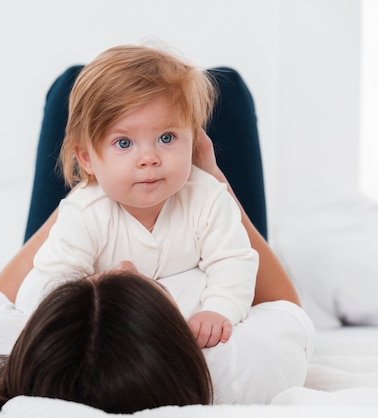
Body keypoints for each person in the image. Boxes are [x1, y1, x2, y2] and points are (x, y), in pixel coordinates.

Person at [0, 46, 314, 408]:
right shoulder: (231, 368)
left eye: (106, 281)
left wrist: (86, 186)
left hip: (95, 184)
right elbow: (281, 306)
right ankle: (139, 136)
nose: (129, 265)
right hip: (173, 190)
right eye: (137, 287)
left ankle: (116, 139)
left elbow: (11, 293)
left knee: (75, 88)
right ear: (170, 321)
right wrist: (212, 176)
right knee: (225, 87)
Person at [15, 45, 258, 348]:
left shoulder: (208, 198)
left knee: (228, 83)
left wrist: (218, 309)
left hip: (185, 323)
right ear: (87, 159)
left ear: (193, 140)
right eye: (124, 142)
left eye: (166, 138)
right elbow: (51, 282)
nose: (149, 158)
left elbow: (234, 261)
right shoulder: (84, 213)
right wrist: (95, 286)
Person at [0, 266, 213, 413]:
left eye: (92, 273)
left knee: (82, 134)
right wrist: (215, 185)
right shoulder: (229, 355)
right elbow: (266, 288)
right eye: (158, 287)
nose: (126, 261)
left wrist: (78, 203)